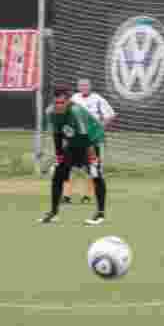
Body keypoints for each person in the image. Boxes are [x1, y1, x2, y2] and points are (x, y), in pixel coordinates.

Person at [41, 85, 107, 225]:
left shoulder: (76, 111)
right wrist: (59, 155)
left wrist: (92, 159)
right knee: (58, 175)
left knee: (95, 174)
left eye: (62, 102)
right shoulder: (51, 112)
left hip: (92, 141)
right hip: (73, 142)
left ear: (69, 101)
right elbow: (57, 134)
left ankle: (100, 214)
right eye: (56, 102)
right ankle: (53, 212)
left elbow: (85, 136)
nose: (58, 105)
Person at [63, 78, 116, 205]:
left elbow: (110, 115)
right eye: (81, 85)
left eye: (86, 85)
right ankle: (66, 196)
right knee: (69, 168)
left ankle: (88, 196)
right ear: (78, 87)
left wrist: (99, 128)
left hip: (91, 139)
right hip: (76, 139)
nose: (83, 87)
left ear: (90, 86)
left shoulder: (98, 99)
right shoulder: (74, 99)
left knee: (92, 168)